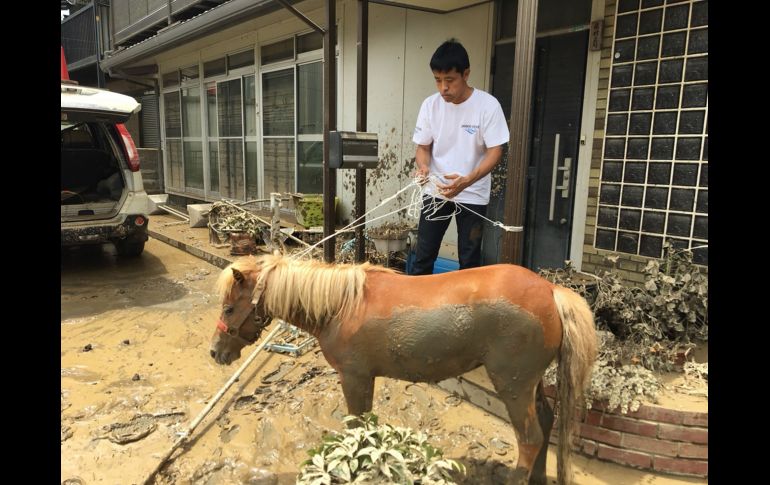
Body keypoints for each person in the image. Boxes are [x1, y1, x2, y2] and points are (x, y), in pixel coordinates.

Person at [409, 39, 510, 275]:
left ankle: (466, 311)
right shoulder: (430, 106)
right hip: (437, 191)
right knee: (423, 254)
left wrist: (466, 180)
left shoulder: (487, 105)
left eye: (449, 80)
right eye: (437, 80)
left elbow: (496, 150)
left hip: (473, 193)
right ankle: (416, 310)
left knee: (469, 259)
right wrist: (423, 168)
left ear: (466, 74)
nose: (443, 87)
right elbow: (422, 147)